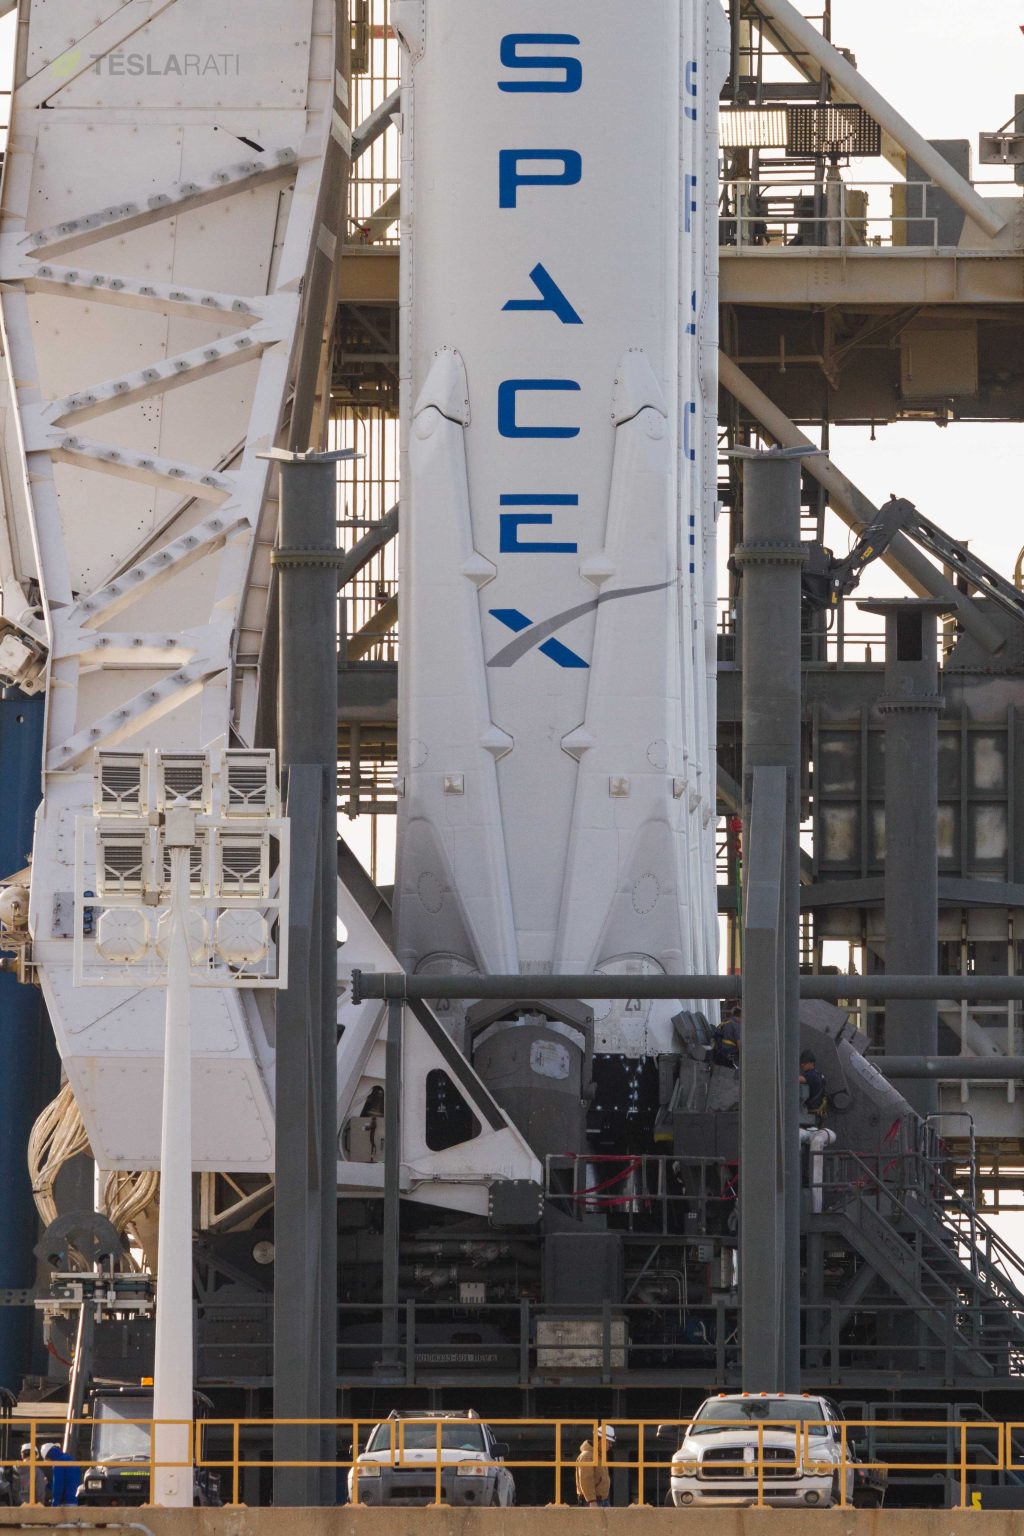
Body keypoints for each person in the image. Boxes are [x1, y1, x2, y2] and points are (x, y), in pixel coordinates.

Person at [575, 1425, 615, 1508]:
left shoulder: (599, 1455)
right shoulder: (587, 1456)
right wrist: (592, 1501)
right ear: (600, 1440)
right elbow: (586, 1480)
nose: (610, 1445)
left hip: (601, 1500)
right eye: (609, 1442)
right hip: (592, 1502)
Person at [799, 1051, 828, 1120]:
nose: (802, 1064)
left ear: (812, 1063)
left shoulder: (812, 1075)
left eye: (805, 1062)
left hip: (811, 1115)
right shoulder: (819, 1074)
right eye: (801, 1062)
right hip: (817, 1114)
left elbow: (796, 1080)